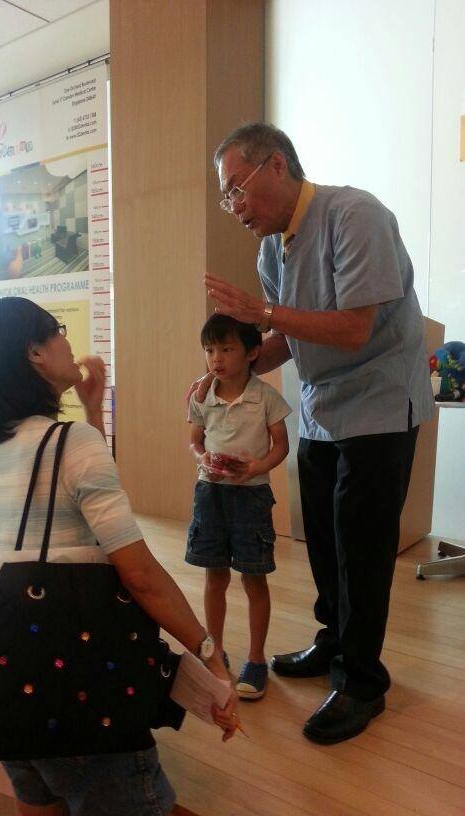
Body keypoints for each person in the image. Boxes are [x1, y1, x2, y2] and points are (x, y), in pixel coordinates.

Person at [193, 122, 434, 744]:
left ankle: (362, 682)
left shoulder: (355, 215)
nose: (234, 207)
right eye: (227, 197)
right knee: (322, 542)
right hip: (323, 410)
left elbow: (354, 328)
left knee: (362, 547)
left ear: (276, 167)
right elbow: (285, 340)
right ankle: (333, 641)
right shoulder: (271, 250)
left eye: (236, 189)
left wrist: (260, 314)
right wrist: (227, 375)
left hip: (380, 406)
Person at [0, 296, 238, 816]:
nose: (68, 341)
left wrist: (91, 409)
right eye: (57, 331)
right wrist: (208, 650)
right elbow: (140, 575)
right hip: (83, 682)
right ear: (35, 354)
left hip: (17, 676)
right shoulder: (74, 444)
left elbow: (67, 526)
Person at [187, 314, 291, 701]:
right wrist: (202, 458)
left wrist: (257, 468)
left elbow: (280, 444)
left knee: (253, 577)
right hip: (210, 494)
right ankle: (215, 650)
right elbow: (194, 440)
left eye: (227, 349)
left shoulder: (265, 397)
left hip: (251, 497)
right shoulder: (202, 396)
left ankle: (257, 659)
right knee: (215, 576)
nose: (217, 358)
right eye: (210, 350)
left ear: (252, 354)